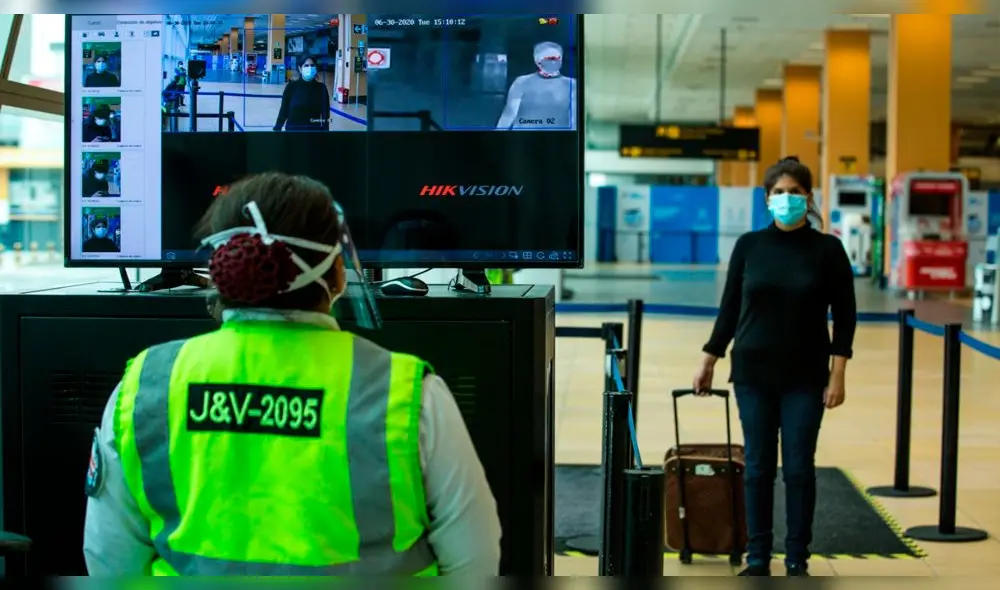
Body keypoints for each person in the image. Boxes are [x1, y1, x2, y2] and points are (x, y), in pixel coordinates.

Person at [82, 173, 502, 576]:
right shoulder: (407, 394)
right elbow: (474, 560)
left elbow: (110, 561)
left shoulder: (143, 387)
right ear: (335, 271)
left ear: (221, 266)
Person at [693, 156, 857, 577]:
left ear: (809, 197)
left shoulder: (828, 249)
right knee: (760, 467)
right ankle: (758, 556)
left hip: (806, 376)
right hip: (752, 374)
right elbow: (730, 307)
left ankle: (798, 554)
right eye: (778, 192)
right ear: (767, 200)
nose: (787, 199)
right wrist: (709, 358)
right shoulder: (749, 245)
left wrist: (838, 374)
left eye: (795, 192)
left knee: (799, 466)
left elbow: (846, 315)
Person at [496, 41, 576, 131]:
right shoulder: (522, 82)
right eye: (549, 58)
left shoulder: (571, 85)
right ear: (537, 61)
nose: (554, 62)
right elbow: (509, 113)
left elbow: (575, 118)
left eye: (557, 58)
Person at [273, 55, 331, 132]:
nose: (309, 68)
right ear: (300, 69)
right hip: (293, 133)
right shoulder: (291, 87)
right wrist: (277, 129)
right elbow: (283, 110)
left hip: (314, 134)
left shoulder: (321, 88)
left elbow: (325, 115)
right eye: (306, 65)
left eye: (312, 65)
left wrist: (326, 132)